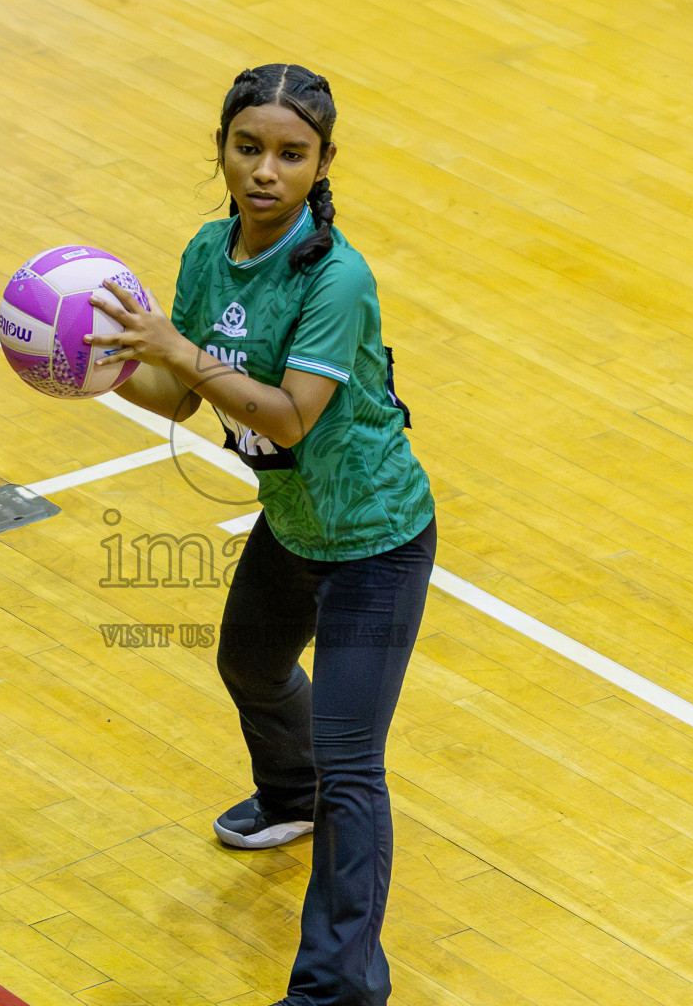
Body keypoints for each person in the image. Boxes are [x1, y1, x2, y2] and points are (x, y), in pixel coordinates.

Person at [86, 63, 436, 1006]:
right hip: (293, 525)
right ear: (222, 153)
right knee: (248, 660)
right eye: (249, 149)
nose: (266, 171)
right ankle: (291, 798)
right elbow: (181, 392)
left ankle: (340, 987)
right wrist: (104, 361)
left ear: (322, 163)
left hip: (375, 541)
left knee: (355, 763)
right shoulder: (209, 253)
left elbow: (286, 419)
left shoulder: (335, 277)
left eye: (291, 153)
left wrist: (180, 350)